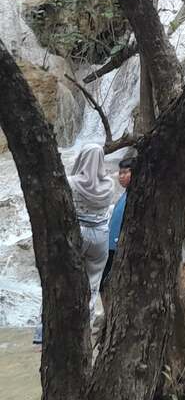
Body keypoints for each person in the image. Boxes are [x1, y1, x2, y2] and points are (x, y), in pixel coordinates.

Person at [35, 144, 117, 346]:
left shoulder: (71, 183)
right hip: (100, 237)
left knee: (58, 278)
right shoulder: (109, 185)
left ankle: (42, 334)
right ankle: (84, 333)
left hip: (76, 234)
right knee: (93, 284)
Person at [101, 156, 133, 313]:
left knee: (110, 283)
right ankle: (109, 315)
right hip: (111, 246)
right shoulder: (125, 195)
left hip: (119, 247)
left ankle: (112, 315)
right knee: (104, 283)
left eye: (126, 172)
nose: (121, 176)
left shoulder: (135, 197)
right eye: (120, 173)